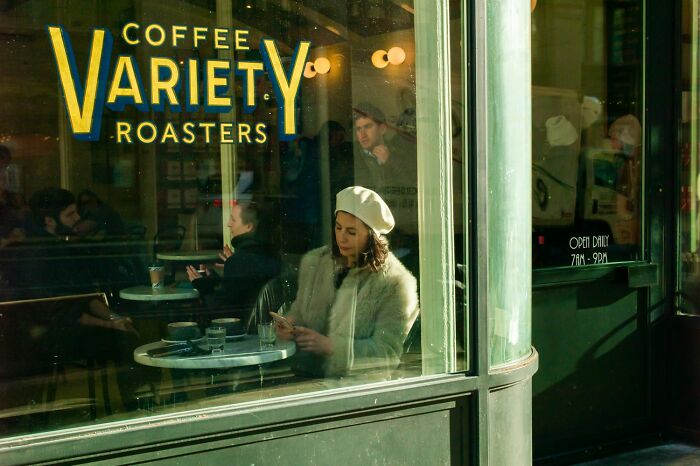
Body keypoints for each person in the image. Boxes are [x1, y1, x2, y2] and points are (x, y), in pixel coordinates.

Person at [6, 187, 140, 409]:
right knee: (125, 341)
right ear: (49, 221)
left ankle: (135, 400)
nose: (77, 218)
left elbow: (85, 296)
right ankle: (135, 404)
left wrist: (115, 317)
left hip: (66, 325)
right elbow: (59, 312)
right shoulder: (38, 253)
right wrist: (110, 324)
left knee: (127, 330)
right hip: (48, 337)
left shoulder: (60, 248)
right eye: (70, 214)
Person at [277, 186, 419, 378]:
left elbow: (387, 354)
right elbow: (300, 311)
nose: (341, 237)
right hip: (304, 376)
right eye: (338, 227)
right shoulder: (316, 263)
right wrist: (289, 326)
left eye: (351, 232)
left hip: (356, 388)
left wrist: (330, 347)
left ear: (371, 236)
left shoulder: (395, 283)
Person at [186, 200, 280, 323]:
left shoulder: (239, 262)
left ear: (249, 227)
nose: (228, 224)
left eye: (233, 219)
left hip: (246, 335)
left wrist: (204, 288)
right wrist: (218, 280)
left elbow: (225, 315)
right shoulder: (272, 254)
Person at [352, 103, 419, 274]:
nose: (363, 134)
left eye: (368, 127)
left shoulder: (402, 152)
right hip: (365, 236)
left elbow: (414, 186)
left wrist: (390, 162)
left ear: (382, 129)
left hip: (401, 234)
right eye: (358, 129)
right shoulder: (350, 158)